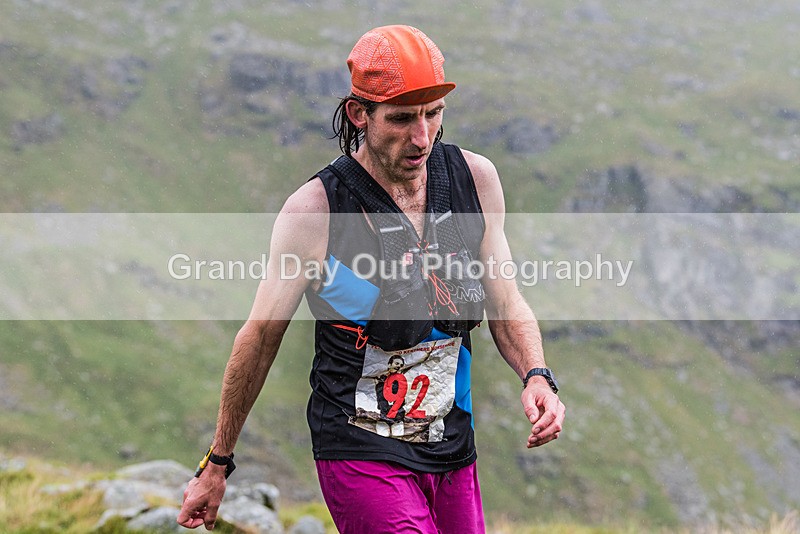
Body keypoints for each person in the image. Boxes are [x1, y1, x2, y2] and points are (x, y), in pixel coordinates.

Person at [178, 24, 565, 533]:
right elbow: (260, 336)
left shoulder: (476, 180)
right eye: (402, 119)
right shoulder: (315, 212)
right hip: (358, 447)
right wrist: (218, 462)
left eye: (433, 115)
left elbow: (505, 300)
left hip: (450, 444)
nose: (422, 137)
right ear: (359, 113)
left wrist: (537, 374)